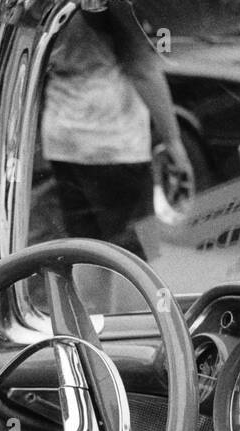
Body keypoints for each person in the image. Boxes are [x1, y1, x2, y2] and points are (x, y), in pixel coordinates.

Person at [40, 0, 189, 260]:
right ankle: (131, 302)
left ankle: (94, 302)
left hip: (62, 136)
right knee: (133, 253)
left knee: (85, 250)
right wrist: (173, 141)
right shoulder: (109, 4)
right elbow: (141, 68)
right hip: (113, 140)